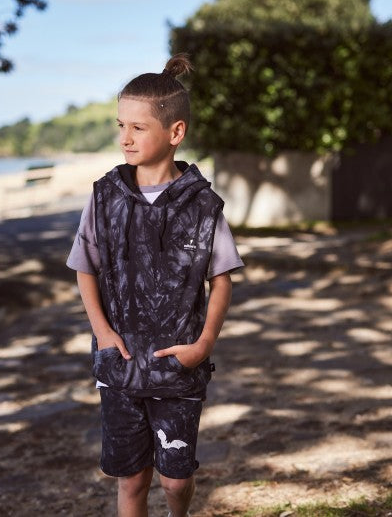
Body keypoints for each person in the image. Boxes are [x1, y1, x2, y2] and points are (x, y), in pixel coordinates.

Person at [66, 53, 244, 517]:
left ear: (175, 132)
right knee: (132, 480)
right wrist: (103, 333)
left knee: (175, 479)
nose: (125, 138)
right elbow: (85, 266)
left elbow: (221, 280)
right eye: (120, 125)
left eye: (138, 128)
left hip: (177, 368)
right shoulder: (104, 196)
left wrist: (203, 344)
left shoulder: (203, 205)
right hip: (120, 365)